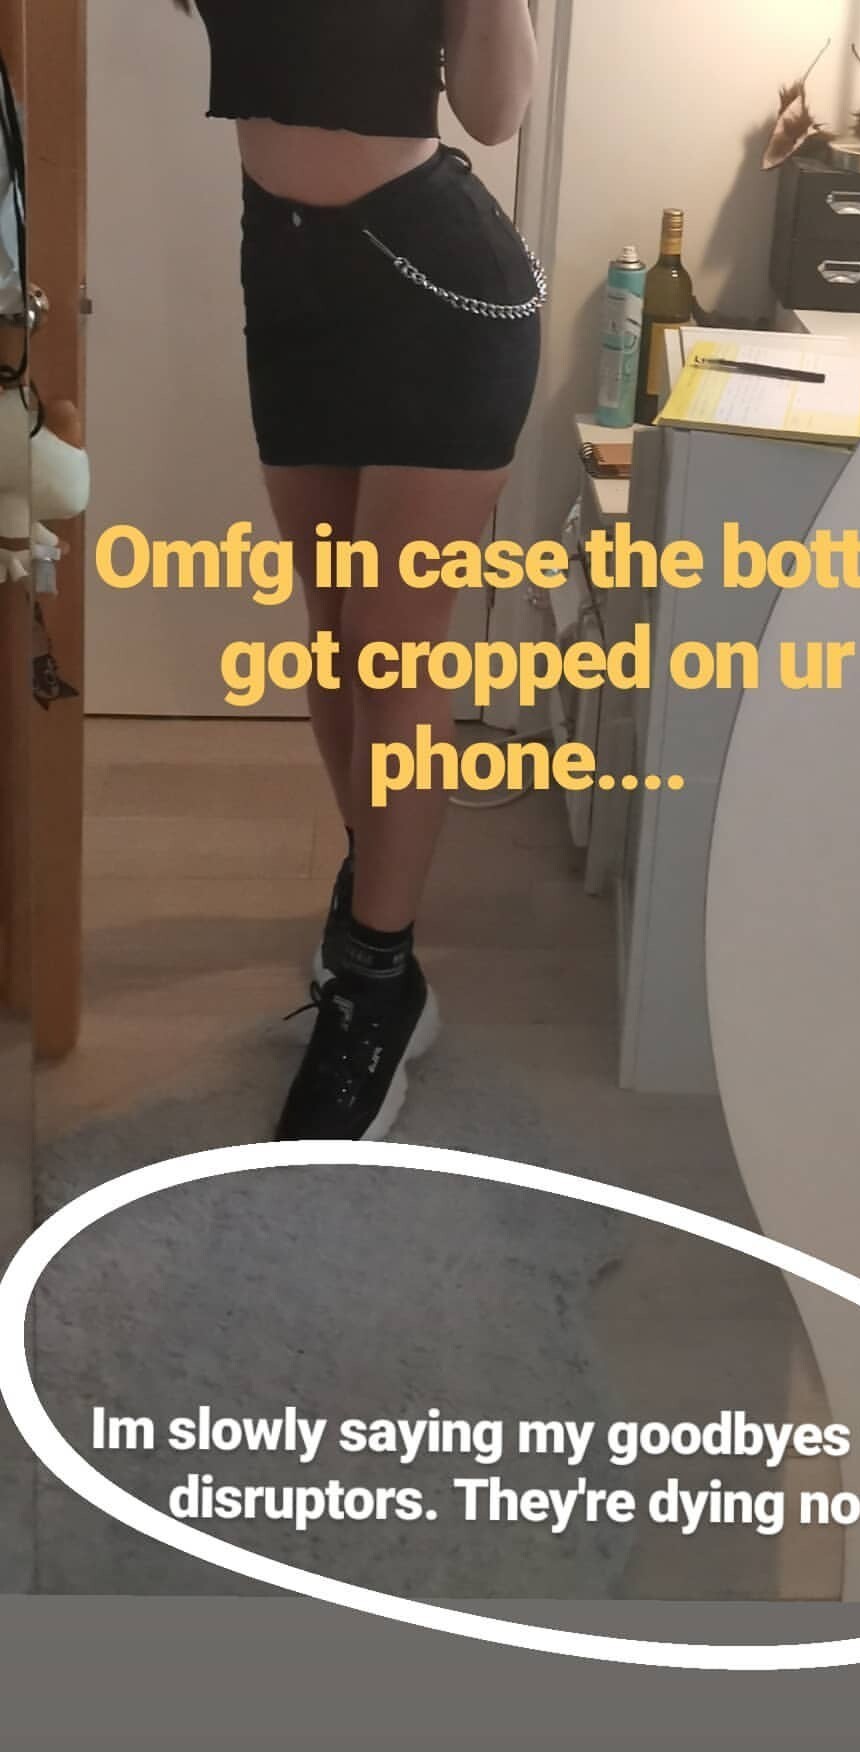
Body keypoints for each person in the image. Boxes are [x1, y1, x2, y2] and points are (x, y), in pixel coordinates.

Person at [178, 0, 543, 1138]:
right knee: (336, 642)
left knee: (391, 657)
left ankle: (377, 984)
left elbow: (494, 111)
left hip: (434, 283)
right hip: (285, 274)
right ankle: (375, 913)